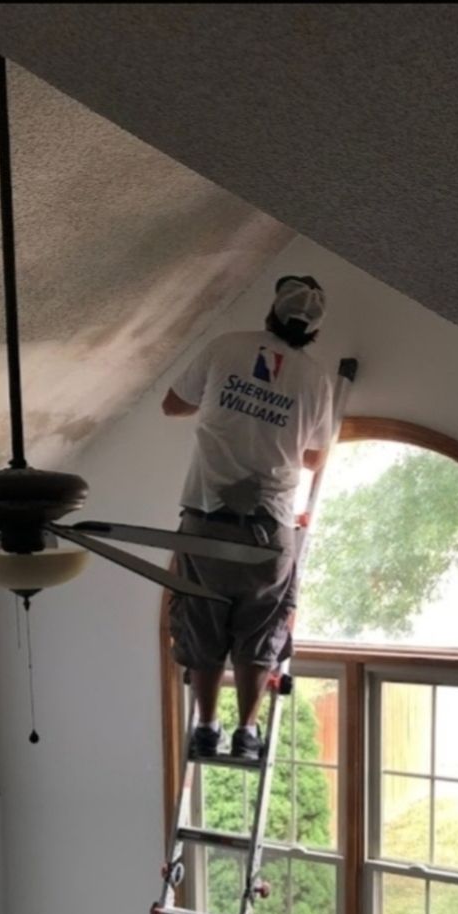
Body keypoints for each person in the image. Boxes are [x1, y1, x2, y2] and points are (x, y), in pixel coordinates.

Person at [161, 274, 334, 761]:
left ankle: (206, 727)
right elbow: (315, 459)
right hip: (268, 531)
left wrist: (230, 406)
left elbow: (172, 405)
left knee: (202, 625)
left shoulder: (226, 347)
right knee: (259, 632)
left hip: (206, 522)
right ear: (314, 330)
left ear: (271, 311)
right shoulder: (316, 380)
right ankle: (246, 732)